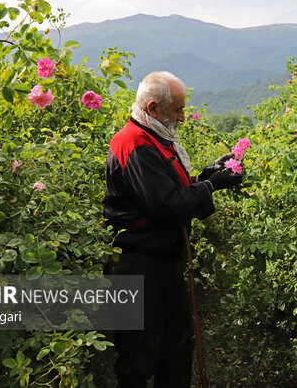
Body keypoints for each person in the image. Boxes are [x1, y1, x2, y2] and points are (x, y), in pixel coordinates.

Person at [102, 71, 241, 387]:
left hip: (162, 263)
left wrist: (207, 176)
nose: (182, 116)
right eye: (177, 109)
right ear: (153, 108)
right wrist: (210, 185)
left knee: (176, 350)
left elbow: (169, 191)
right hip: (135, 266)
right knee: (138, 358)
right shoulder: (133, 143)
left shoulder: (153, 139)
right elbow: (165, 205)